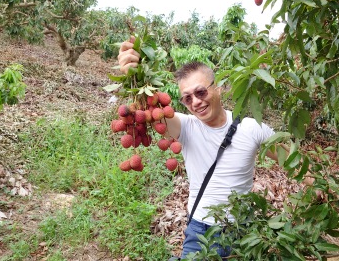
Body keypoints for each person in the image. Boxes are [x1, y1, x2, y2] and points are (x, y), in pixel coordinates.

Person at [118, 37, 283, 259]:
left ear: (220, 88)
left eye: (200, 92)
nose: (195, 102)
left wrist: (321, 187)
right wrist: (134, 75)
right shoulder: (186, 127)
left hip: (243, 232)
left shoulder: (252, 128)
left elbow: (292, 160)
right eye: (187, 98)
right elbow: (151, 114)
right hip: (199, 230)